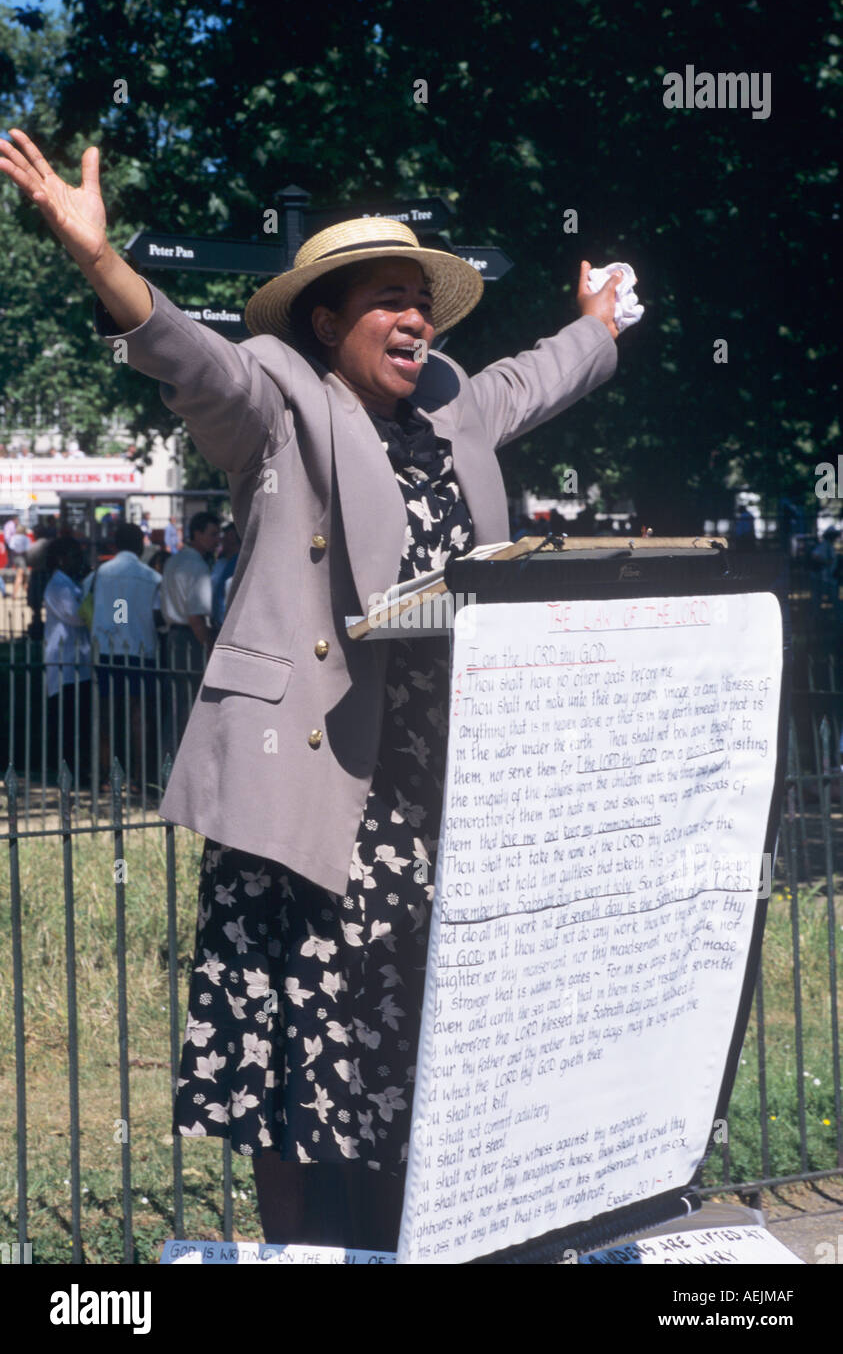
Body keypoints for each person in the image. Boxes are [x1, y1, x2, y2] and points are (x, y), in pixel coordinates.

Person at [0, 128, 629, 1251]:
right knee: (291, 1044)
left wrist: (595, 323)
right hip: (308, 784)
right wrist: (100, 262)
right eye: (389, 299)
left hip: (432, 797)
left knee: (402, 1051)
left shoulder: (451, 408)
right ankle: (297, 1261)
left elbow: (536, 378)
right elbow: (193, 357)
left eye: (422, 301)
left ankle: (401, 1251)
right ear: (329, 322)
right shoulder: (278, 399)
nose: (416, 321)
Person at [81, 520, 165, 791]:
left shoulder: (98, 575)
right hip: (142, 650)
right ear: (140, 545)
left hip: (107, 650)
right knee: (139, 715)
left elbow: (85, 601)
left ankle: (106, 776)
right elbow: (158, 613)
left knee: (106, 714)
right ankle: (140, 777)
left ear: (115, 544)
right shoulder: (152, 577)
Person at [159, 511, 220, 750]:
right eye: (212, 534)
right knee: (188, 705)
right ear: (197, 534)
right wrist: (206, 646)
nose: (216, 540)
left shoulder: (175, 560)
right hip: (189, 638)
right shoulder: (196, 566)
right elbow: (196, 616)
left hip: (173, 635)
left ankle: (168, 761)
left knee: (174, 704)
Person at [43, 535, 93, 781]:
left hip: (78, 662)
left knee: (79, 720)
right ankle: (66, 769)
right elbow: (78, 616)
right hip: (64, 662)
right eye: (75, 556)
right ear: (61, 559)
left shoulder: (70, 583)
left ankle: (78, 767)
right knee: (66, 721)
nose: (79, 561)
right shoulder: (59, 586)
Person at [210, 522, 241, 629]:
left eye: (232, 541)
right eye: (226, 540)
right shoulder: (220, 564)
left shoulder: (241, 564)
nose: (227, 543)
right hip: (217, 623)